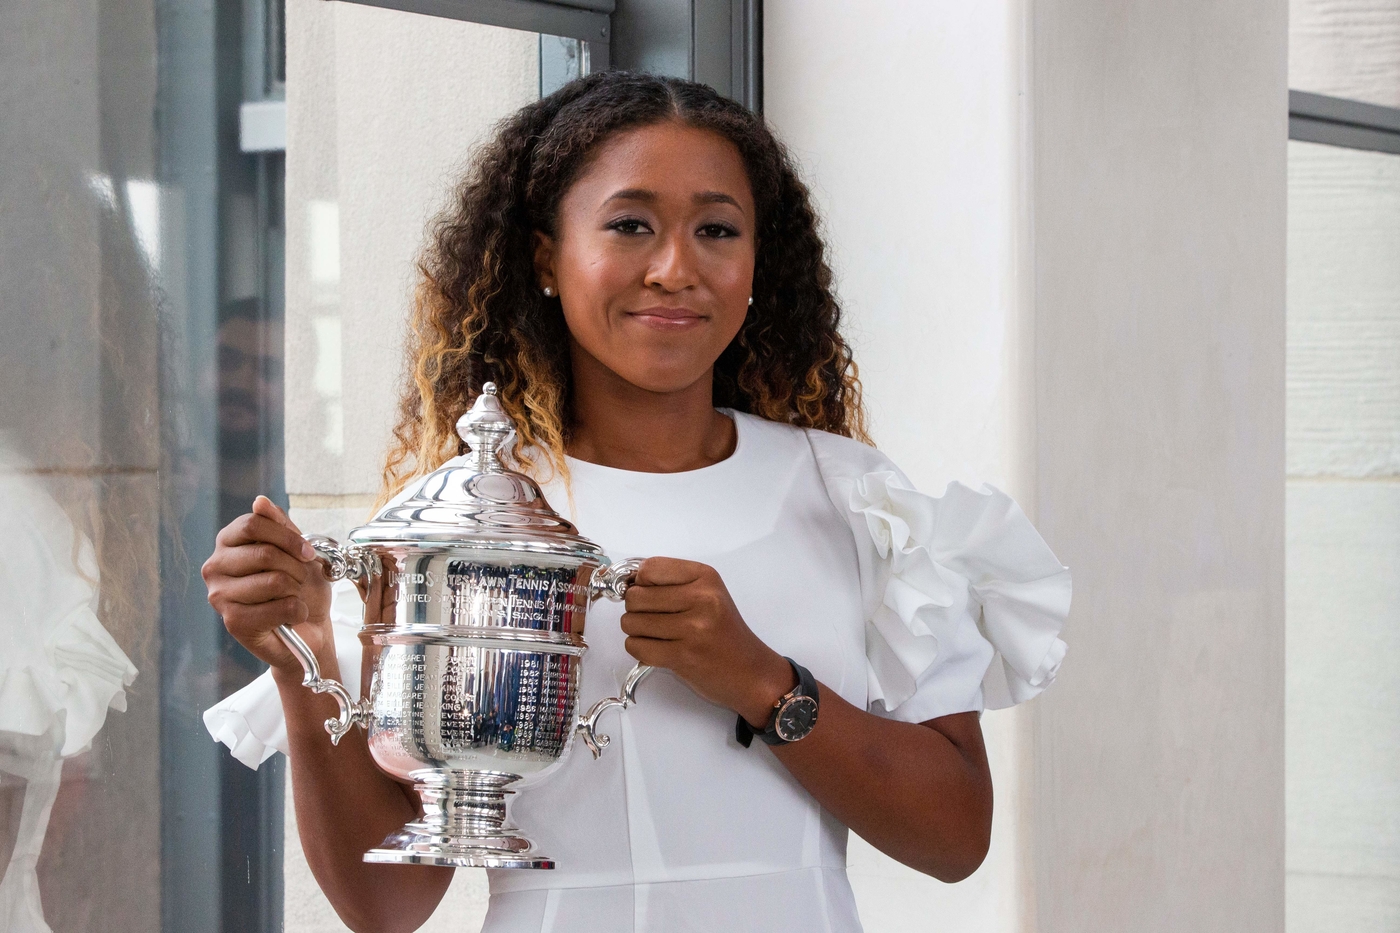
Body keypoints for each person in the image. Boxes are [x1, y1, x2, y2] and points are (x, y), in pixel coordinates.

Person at [200, 71, 1071, 933]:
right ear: (546, 256)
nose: (674, 268)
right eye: (630, 225)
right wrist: (300, 655)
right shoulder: (466, 523)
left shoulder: (853, 497)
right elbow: (387, 906)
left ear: (758, 261)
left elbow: (956, 835)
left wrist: (760, 679)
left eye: (717, 230)